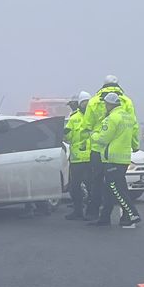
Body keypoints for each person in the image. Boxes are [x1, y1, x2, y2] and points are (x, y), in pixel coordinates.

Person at [93, 90, 141, 229]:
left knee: (116, 189)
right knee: (110, 189)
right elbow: (134, 135)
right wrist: (135, 146)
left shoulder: (112, 118)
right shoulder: (128, 117)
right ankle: (104, 218)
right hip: (124, 158)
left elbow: (103, 139)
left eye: (106, 104)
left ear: (109, 104)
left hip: (112, 159)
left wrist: (93, 135)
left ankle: (132, 214)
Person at [63, 92, 94, 220]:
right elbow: (69, 137)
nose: (85, 105)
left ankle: (92, 211)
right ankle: (78, 211)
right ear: (80, 103)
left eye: (87, 102)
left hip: (91, 157)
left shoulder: (95, 117)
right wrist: (64, 133)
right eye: (83, 102)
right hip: (77, 159)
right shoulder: (74, 118)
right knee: (75, 187)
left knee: (92, 186)